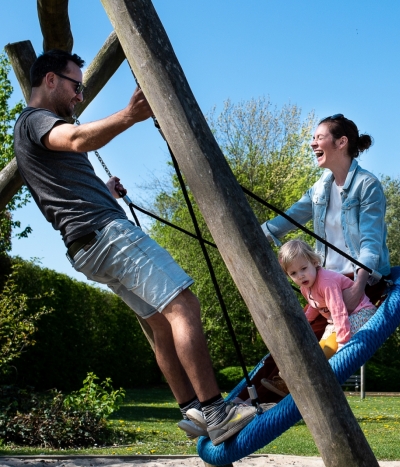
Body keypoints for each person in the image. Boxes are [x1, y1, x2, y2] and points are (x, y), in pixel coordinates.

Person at [13, 50, 265, 445]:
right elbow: (77, 139)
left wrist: (104, 191)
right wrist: (129, 115)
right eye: (76, 85)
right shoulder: (36, 121)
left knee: (159, 323)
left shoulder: (28, 133)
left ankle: (192, 410)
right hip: (104, 233)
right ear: (49, 80)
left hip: (85, 246)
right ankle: (217, 411)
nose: (79, 95)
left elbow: (61, 190)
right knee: (183, 305)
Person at [252, 114, 391, 399]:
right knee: (294, 339)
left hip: (358, 282)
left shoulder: (367, 186)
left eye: (319, 137)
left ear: (341, 143)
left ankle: (269, 398)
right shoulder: (320, 189)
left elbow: (370, 243)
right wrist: (256, 235)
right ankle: (245, 403)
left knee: (326, 345)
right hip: (325, 282)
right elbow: (291, 216)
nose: (312, 142)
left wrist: (359, 286)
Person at [279, 239, 377, 360]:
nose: (300, 276)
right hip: (337, 321)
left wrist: (342, 343)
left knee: (329, 349)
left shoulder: (326, 282)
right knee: (318, 349)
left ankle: (319, 370)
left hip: (361, 313)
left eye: (303, 268)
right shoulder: (305, 288)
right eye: (293, 273)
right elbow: (314, 306)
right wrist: (305, 322)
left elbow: (338, 311)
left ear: (314, 262)